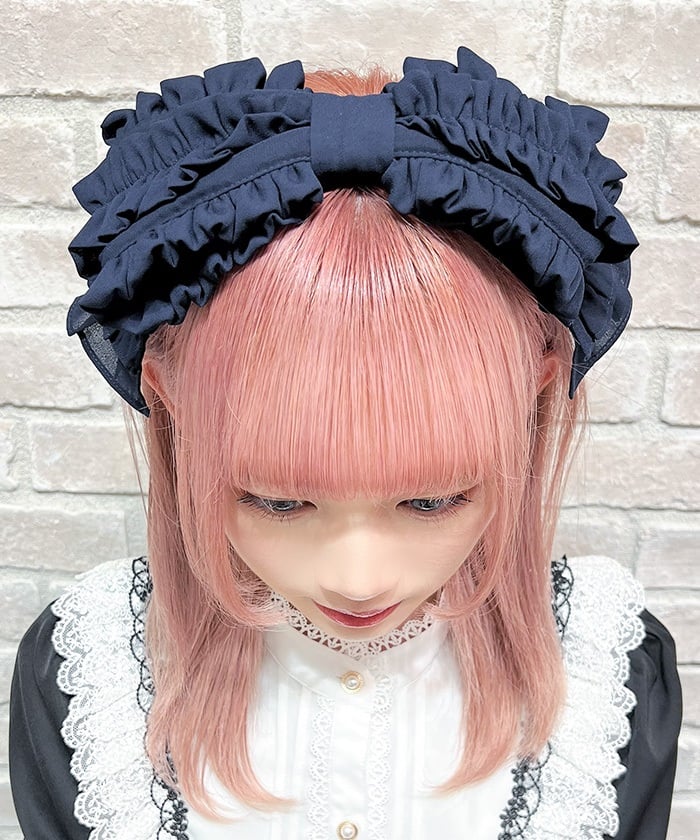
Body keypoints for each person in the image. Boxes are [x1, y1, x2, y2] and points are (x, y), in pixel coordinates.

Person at [9, 46, 682, 839]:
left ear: (534, 395)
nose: (359, 581)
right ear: (170, 401)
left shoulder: (610, 673)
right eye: (278, 501)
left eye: (432, 501)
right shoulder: (90, 676)